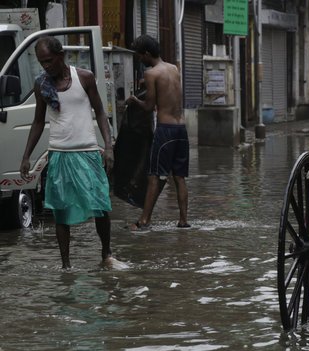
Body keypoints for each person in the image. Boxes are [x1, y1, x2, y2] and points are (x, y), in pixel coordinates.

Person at [19, 36, 117, 269]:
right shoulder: (42, 85)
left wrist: (108, 146)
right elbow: (38, 122)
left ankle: (106, 255)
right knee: (60, 212)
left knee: (100, 205)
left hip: (87, 153)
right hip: (59, 154)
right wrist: (26, 156)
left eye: (49, 61)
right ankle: (66, 267)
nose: (46, 66)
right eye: (42, 62)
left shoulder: (84, 78)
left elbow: (100, 112)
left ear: (60, 56)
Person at [126, 34, 190, 230]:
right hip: (181, 129)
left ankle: (144, 221)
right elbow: (168, 92)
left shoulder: (151, 73)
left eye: (139, 55)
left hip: (165, 131)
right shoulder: (174, 68)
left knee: (154, 176)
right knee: (179, 177)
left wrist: (134, 100)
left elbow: (149, 106)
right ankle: (183, 221)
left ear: (146, 54)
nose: (139, 59)